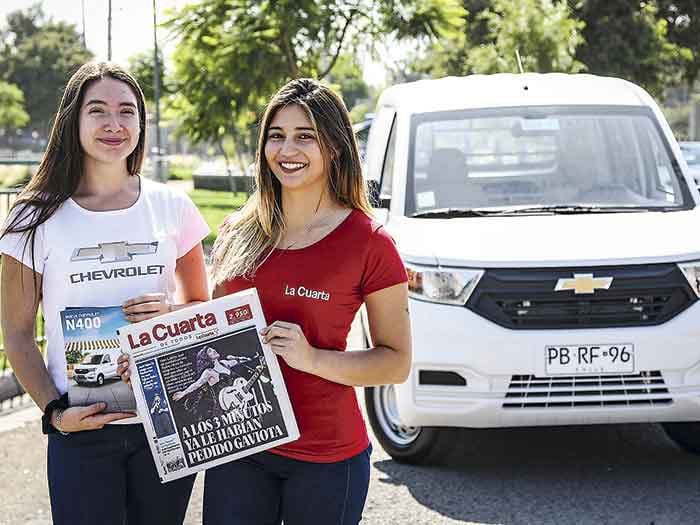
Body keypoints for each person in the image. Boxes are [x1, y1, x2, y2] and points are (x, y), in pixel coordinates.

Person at [0, 62, 210, 525]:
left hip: (166, 421)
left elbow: (200, 307)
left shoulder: (172, 205)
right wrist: (54, 414)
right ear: (73, 121)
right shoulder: (32, 217)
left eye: (127, 111)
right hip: (81, 429)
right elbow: (16, 334)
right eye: (97, 110)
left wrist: (172, 312)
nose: (114, 124)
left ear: (141, 123)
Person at [205, 78, 412, 525]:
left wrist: (312, 358)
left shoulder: (370, 243)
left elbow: (395, 363)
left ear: (334, 147)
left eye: (305, 136)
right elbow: (211, 330)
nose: (287, 149)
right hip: (238, 445)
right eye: (276, 136)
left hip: (325, 455)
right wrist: (152, 343)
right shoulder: (237, 232)